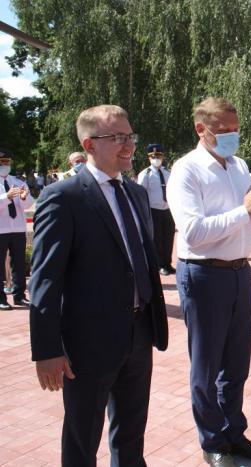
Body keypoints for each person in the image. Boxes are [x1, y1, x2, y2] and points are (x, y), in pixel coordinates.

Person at [28, 105, 169, 466]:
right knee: (82, 439)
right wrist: (47, 350)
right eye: (118, 137)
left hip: (138, 333)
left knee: (131, 433)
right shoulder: (64, 197)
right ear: (89, 144)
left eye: (130, 136)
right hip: (88, 343)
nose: (129, 145)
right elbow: (45, 278)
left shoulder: (136, 193)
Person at [167, 97, 251, 467]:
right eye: (223, 130)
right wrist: (244, 210)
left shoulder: (239, 166)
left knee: (237, 362)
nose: (232, 135)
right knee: (207, 364)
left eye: (236, 129)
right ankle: (212, 441)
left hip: (240, 272)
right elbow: (193, 233)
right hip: (204, 274)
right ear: (202, 129)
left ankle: (233, 433)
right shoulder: (186, 170)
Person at [0, 148, 33, 310]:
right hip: (1, 229)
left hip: (18, 228)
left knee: (19, 264)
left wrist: (24, 198)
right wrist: (6, 196)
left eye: (7, 162)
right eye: (2, 163)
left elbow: (28, 204)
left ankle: (19, 296)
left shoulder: (18, 182)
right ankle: (1, 299)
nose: (5, 165)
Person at [137, 144, 176, 276]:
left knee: (168, 237)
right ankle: (160, 265)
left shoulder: (167, 173)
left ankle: (168, 263)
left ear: (162, 157)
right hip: (153, 211)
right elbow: (140, 194)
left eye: (158, 156)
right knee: (157, 239)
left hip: (167, 210)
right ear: (149, 158)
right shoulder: (145, 174)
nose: (156, 159)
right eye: (153, 157)